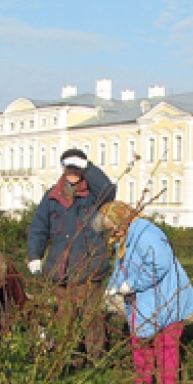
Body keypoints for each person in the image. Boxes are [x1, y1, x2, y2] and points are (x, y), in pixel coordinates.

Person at [96, 202, 193, 384]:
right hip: (144, 303)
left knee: (166, 347)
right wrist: (112, 287)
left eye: (112, 228)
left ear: (121, 220)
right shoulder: (126, 237)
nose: (111, 233)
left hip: (165, 300)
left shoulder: (147, 234)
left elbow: (160, 264)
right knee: (141, 345)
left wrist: (133, 284)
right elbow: (121, 267)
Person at [27, 149, 114, 365]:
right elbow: (38, 228)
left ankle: (96, 362)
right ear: (63, 169)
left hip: (88, 268)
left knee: (90, 318)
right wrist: (34, 256)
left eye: (77, 169)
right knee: (65, 318)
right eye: (69, 168)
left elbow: (109, 190)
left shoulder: (93, 195)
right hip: (60, 270)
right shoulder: (52, 197)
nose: (73, 173)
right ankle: (71, 361)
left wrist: (89, 166)